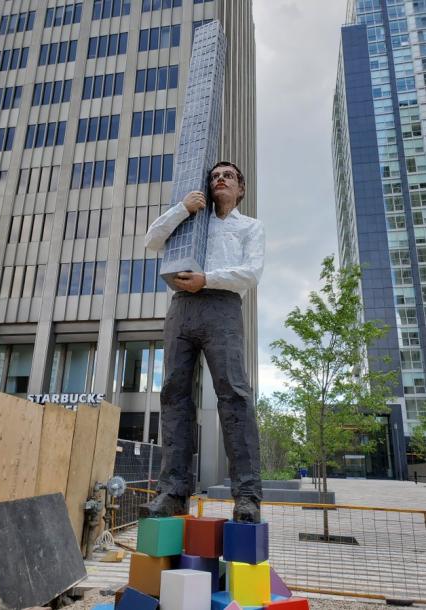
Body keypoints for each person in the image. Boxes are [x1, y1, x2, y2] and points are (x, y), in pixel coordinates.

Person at [141, 161, 265, 522]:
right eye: (214, 177)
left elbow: (252, 273)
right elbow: (151, 240)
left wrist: (206, 279)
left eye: (227, 176)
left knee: (234, 393)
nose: (219, 180)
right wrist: (183, 207)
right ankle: (173, 491)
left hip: (222, 307)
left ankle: (247, 495)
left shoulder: (251, 227)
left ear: (240, 188)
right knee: (174, 393)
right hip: (182, 308)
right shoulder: (194, 218)